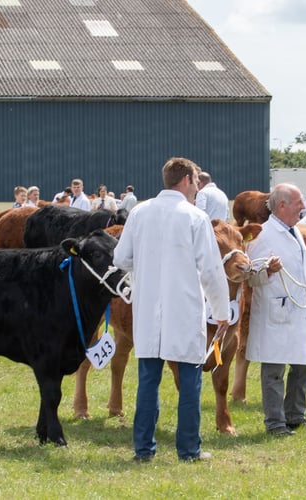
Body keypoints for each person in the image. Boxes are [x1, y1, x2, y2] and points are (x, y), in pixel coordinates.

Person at [113, 157, 230, 463]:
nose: (198, 187)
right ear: (186, 181)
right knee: (190, 383)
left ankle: (143, 449)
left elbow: (121, 258)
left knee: (148, 381)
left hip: (148, 307)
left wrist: (145, 263)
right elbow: (211, 270)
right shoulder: (195, 217)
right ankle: (189, 450)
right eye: (196, 181)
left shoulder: (139, 213)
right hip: (184, 309)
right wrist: (222, 310)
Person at [246, 183, 306, 437]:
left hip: (296, 309)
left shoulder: (293, 231)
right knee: (274, 370)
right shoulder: (262, 235)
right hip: (276, 311)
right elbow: (251, 275)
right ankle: (275, 422)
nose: (304, 207)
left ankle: (294, 415)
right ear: (282, 205)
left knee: (305, 363)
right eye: (299, 203)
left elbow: (297, 264)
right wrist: (266, 271)